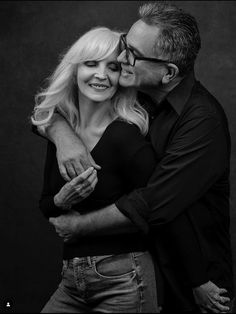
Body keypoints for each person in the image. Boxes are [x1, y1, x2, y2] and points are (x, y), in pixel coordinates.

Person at [34, 2, 235, 313]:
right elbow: (49, 111)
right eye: (125, 44)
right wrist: (63, 136)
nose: (121, 58)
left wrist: (77, 227)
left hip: (196, 276)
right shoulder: (137, 91)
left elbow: (154, 203)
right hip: (149, 261)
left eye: (132, 55)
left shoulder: (201, 121)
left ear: (168, 73)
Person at [32, 26, 161, 313]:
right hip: (71, 279)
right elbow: (46, 206)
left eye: (113, 67)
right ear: (74, 70)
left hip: (126, 278)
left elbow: (157, 207)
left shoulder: (125, 136)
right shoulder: (62, 133)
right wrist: (60, 201)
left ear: (122, 77)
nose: (101, 75)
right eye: (91, 64)